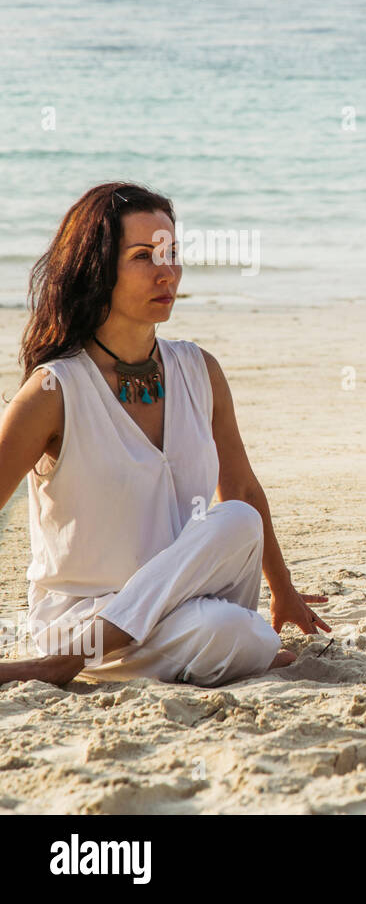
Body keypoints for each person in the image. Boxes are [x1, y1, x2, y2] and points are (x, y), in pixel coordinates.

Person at [0, 183, 330, 687]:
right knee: (241, 635)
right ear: (97, 268)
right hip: (80, 625)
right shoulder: (54, 391)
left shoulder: (200, 370)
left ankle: (80, 664)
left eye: (172, 253)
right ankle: (66, 659)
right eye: (143, 256)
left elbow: (241, 489)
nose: (166, 272)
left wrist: (283, 591)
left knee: (238, 525)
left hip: (187, 614)